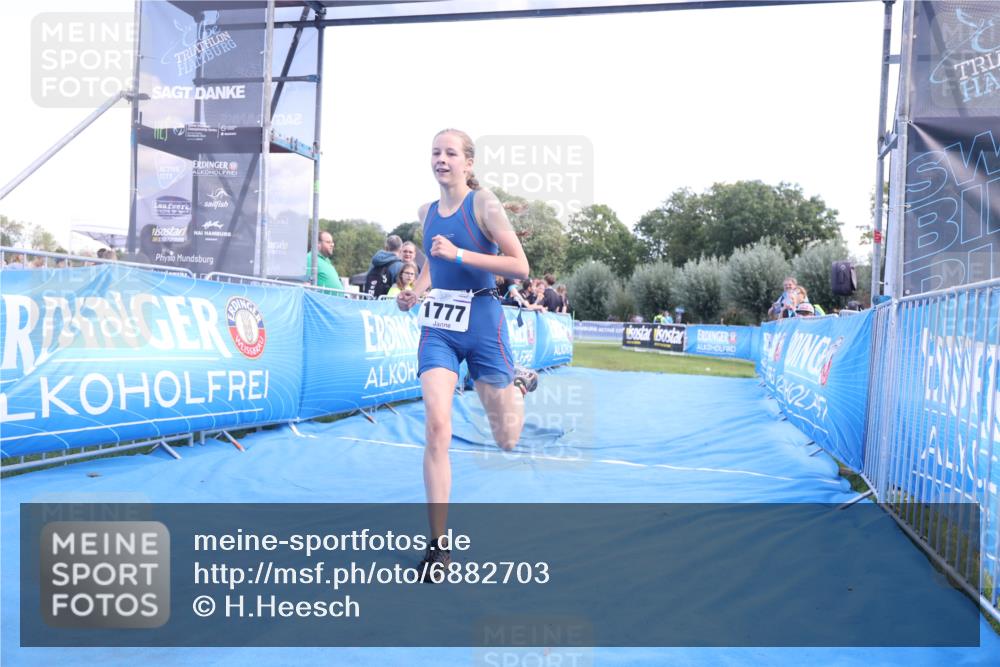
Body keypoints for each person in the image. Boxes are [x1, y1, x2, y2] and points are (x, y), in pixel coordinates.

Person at [395, 129, 538, 581]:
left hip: (483, 321)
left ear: (468, 163)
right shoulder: (426, 213)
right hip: (439, 327)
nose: (441, 159)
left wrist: (462, 252)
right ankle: (438, 547)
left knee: (508, 439)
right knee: (438, 426)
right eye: (435, 152)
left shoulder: (485, 205)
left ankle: (516, 382)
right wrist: (413, 294)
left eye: (450, 153)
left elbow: (520, 267)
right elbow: (434, 268)